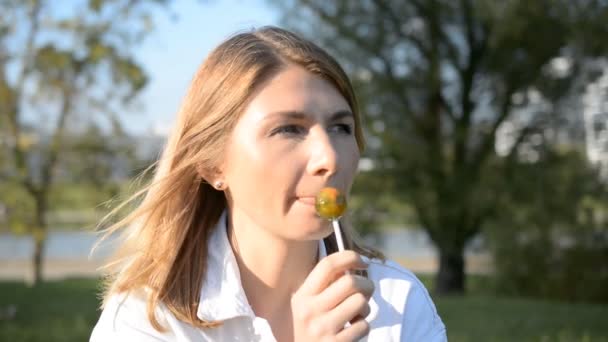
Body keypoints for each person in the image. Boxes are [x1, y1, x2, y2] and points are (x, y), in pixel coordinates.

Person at [90, 26, 447, 341]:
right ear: (213, 164)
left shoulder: (396, 302)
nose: (330, 158)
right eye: (288, 129)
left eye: (341, 128)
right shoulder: (148, 322)